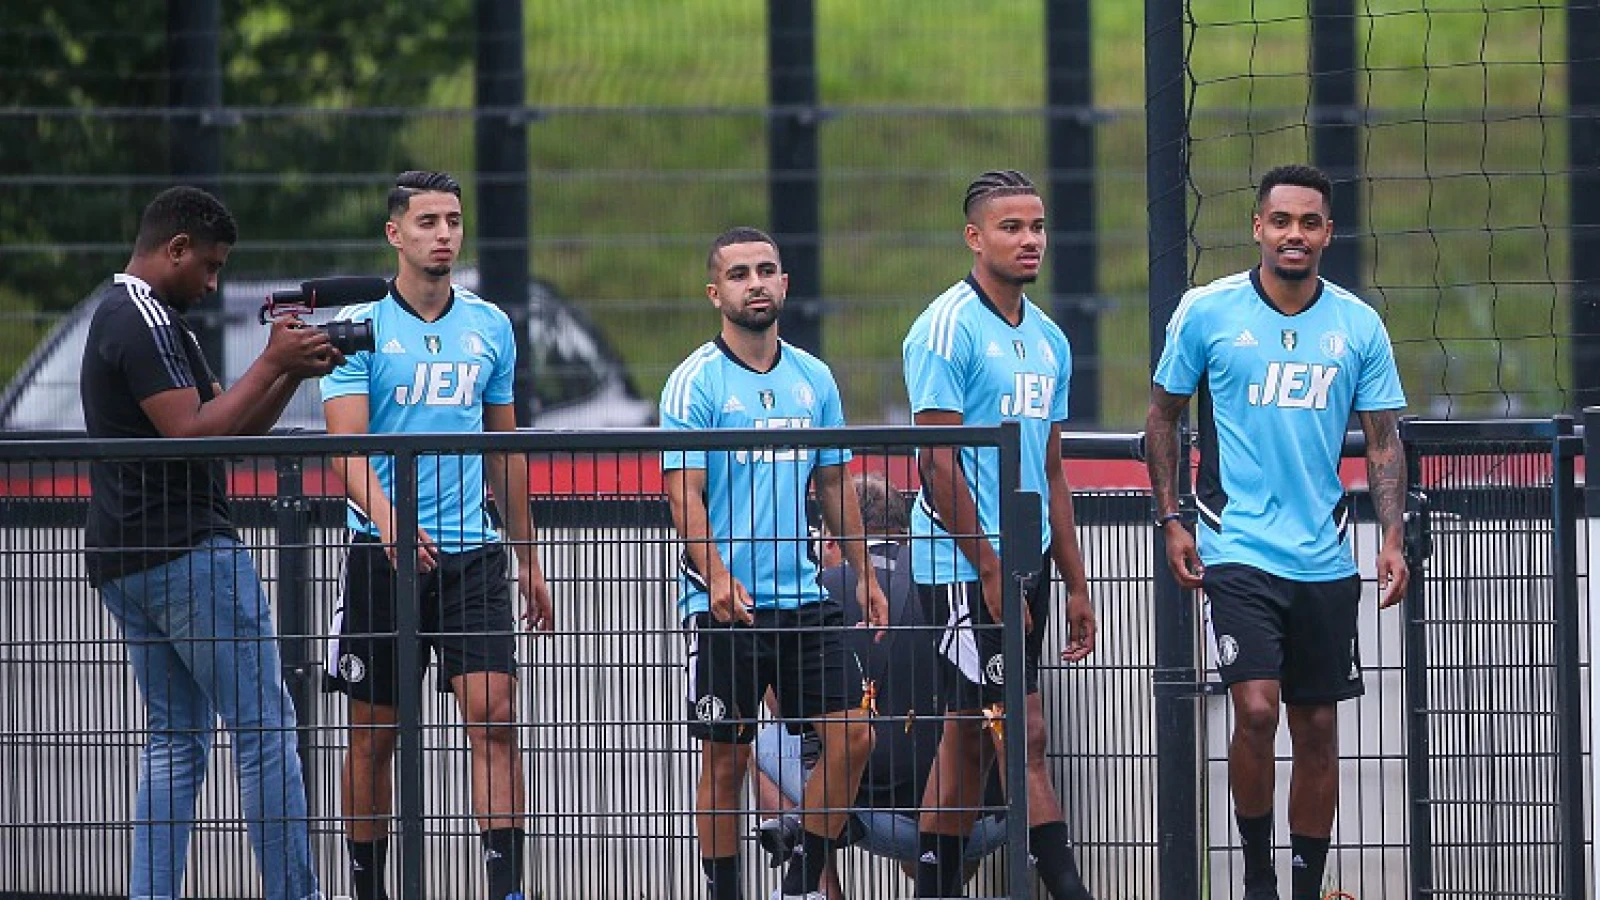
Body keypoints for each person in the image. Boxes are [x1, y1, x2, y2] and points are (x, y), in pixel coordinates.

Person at [1145, 163, 1408, 900]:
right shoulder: (1206, 312)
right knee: (1256, 710)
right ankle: (1258, 875)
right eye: (1282, 220)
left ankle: (1304, 884)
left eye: (1310, 221)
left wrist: (1391, 538)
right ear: (1258, 227)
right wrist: (1171, 519)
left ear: (1328, 232)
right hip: (1235, 548)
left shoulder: (1358, 324)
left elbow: (1384, 439)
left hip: (1323, 558)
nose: (1296, 233)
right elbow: (1161, 417)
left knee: (1317, 730)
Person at [82, 185, 338, 900]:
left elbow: (227, 430)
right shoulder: (140, 320)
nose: (214, 282)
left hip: (129, 560)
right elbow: (192, 434)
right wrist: (270, 361)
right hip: (186, 554)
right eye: (211, 266)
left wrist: (286, 369)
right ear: (175, 249)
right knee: (264, 728)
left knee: (176, 738)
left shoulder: (152, 320)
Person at [320, 170, 555, 900]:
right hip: (382, 560)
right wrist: (390, 524)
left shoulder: (490, 327)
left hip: (472, 557)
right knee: (375, 736)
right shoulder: (358, 328)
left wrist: (529, 559)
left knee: (495, 717)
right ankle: (368, 887)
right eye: (427, 222)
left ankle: (505, 887)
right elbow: (346, 452)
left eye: (453, 220)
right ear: (395, 234)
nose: (444, 234)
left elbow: (506, 453)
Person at [661, 226, 888, 900]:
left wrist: (867, 575)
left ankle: (801, 878)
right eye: (739, 274)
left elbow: (836, 487)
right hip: (725, 604)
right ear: (715, 293)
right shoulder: (694, 382)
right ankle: (723, 889)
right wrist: (719, 576)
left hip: (803, 598)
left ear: (785, 284)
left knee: (853, 740)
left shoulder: (814, 378)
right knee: (727, 759)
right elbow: (684, 496)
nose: (755, 282)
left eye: (766, 270)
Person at [901, 169, 1098, 900]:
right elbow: (936, 462)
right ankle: (1070, 890)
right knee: (1021, 733)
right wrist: (987, 567)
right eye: (1012, 228)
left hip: (1029, 563)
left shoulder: (1048, 338)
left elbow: (1051, 466)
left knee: (967, 737)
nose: (1030, 241)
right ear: (974, 237)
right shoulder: (945, 328)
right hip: (961, 565)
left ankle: (934, 886)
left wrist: (1074, 581)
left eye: (1038, 227)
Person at [752, 473, 1007, 899]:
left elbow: (784, 707)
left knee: (765, 743)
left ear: (833, 538)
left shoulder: (816, 593)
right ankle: (940, 881)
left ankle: (812, 879)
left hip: (874, 814)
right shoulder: (947, 584)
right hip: (985, 816)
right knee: (952, 736)